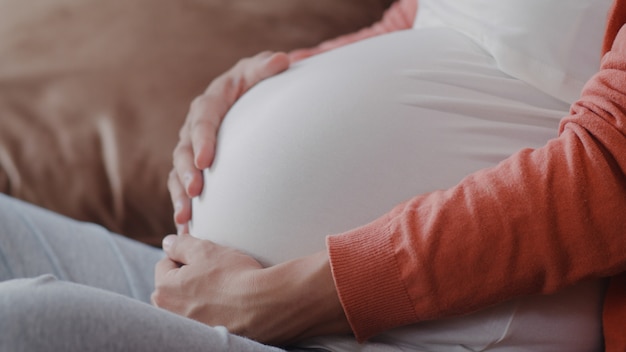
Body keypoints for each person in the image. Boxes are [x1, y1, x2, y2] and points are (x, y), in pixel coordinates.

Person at [2, 1, 626, 351]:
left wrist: (290, 300)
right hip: (236, 300)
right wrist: (262, 82)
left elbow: (606, 175)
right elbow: (430, 21)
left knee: (23, 324)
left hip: (393, 328)